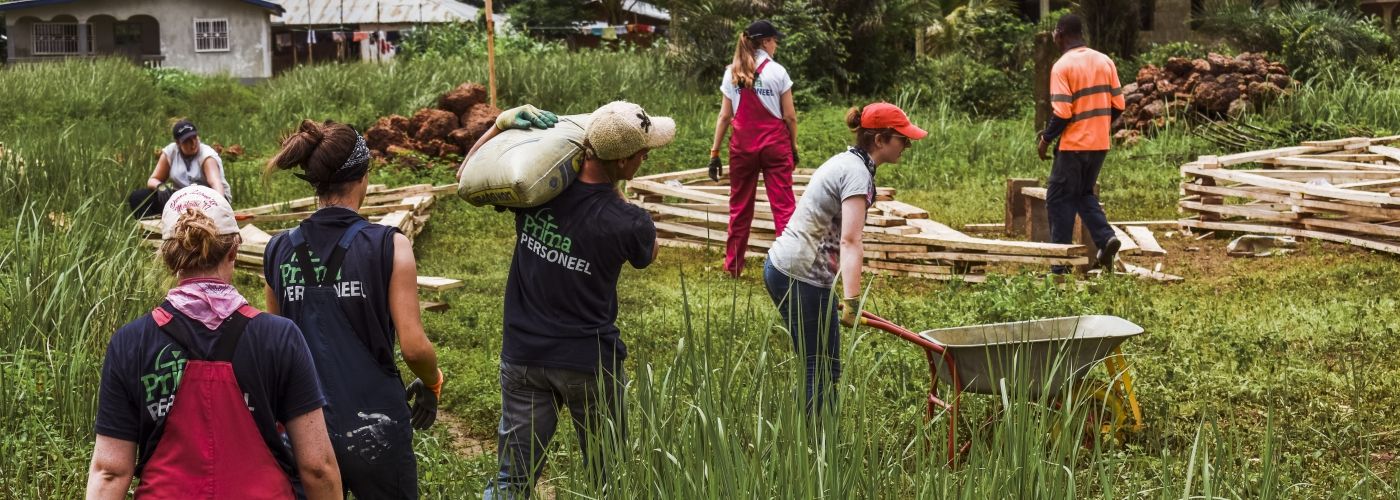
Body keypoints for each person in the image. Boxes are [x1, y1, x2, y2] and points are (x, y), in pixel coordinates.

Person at [462, 101, 673, 499]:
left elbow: (469, 176)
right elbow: (651, 252)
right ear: (626, 161)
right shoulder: (630, 222)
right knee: (606, 478)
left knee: (511, 480)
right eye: (643, 151)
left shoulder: (536, 186)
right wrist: (620, 195)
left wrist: (498, 125)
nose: (646, 156)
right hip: (589, 363)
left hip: (524, 354)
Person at [87, 185, 341, 499]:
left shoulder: (130, 342)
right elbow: (318, 466)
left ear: (169, 258)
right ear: (234, 250)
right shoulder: (280, 337)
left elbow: (110, 472)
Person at [262, 120, 443, 499]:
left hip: (302, 429)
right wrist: (432, 381)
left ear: (315, 183)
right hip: (374, 425)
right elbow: (413, 347)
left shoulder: (277, 251)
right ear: (363, 177)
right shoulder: (390, 246)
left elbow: (276, 347)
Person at [763, 103, 926, 414]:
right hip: (800, 274)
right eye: (902, 139)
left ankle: (821, 439)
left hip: (796, 270)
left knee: (827, 366)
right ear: (880, 140)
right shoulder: (855, 173)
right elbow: (851, 240)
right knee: (817, 367)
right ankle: (814, 448)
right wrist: (852, 301)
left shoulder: (849, 163)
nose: (907, 145)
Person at [709, 19, 799, 277]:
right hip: (775, 145)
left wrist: (714, 153)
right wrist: (792, 146)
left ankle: (733, 267)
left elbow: (725, 116)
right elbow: (790, 116)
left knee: (739, 207)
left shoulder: (732, 72)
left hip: (742, 147)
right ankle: (789, 268)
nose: (776, 45)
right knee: (784, 208)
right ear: (766, 42)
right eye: (775, 40)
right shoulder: (778, 72)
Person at [1037, 14, 1125, 273]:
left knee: (1058, 198)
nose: (1054, 36)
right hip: (1099, 144)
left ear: (1061, 34)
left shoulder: (1062, 66)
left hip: (1074, 145)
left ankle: (1060, 266)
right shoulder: (1104, 60)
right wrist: (1098, 126)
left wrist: (1045, 138)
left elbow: (1062, 112)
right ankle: (1106, 238)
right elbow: (1119, 105)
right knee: (1082, 193)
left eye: (1055, 32)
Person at [129, 119, 232, 219]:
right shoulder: (171, 152)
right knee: (138, 197)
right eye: (187, 141)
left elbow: (216, 184)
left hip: (208, 198)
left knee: (197, 207)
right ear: (178, 143)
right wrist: (160, 187)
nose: (193, 143)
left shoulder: (207, 156)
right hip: (183, 198)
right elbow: (152, 180)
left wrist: (218, 206)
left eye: (194, 138)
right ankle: (150, 231)